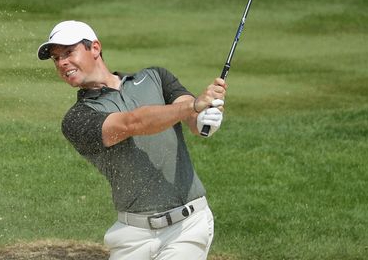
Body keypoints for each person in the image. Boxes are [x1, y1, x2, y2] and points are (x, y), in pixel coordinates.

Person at [37, 20, 227, 260]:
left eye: (68, 52)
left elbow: (192, 118)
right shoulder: (77, 119)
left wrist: (204, 118)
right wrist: (193, 106)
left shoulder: (156, 78)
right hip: (131, 236)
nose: (62, 62)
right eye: (56, 58)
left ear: (95, 48)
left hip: (187, 227)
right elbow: (131, 124)